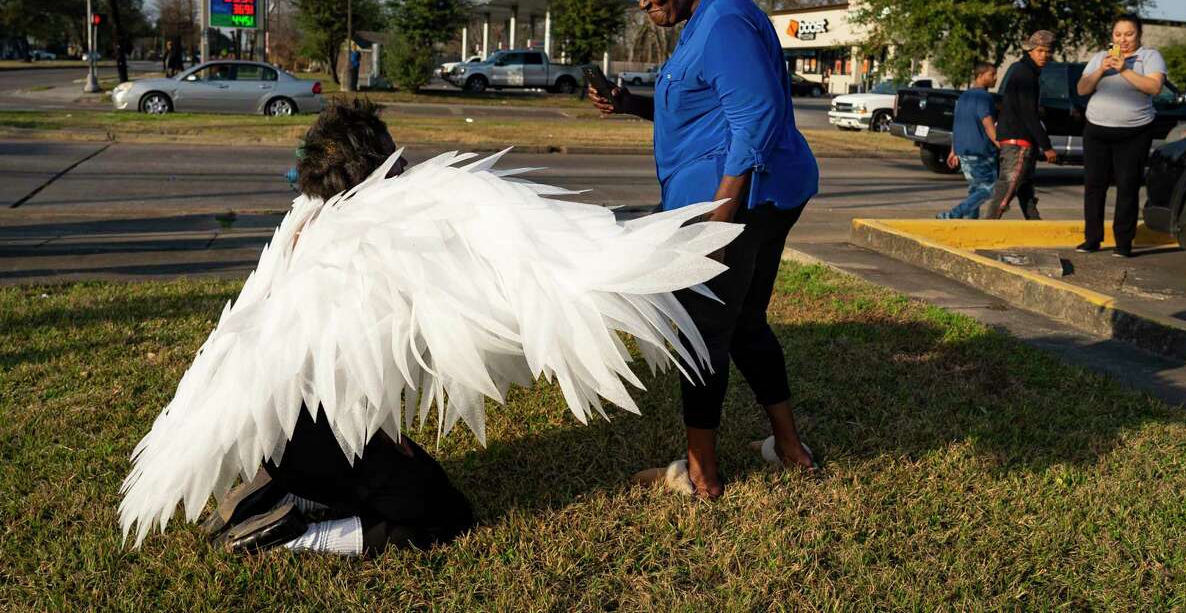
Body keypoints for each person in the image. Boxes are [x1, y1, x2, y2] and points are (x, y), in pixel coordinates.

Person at [119, 100, 743, 553]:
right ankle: (286, 534)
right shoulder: (371, 230)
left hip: (282, 427)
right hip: (318, 432)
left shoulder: (302, 225)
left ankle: (280, 486)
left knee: (392, 471)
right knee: (442, 517)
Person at [588, 0, 819, 500]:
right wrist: (630, 104)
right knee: (744, 324)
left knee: (702, 332)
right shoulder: (707, 19)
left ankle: (701, 474)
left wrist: (718, 222)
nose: (641, 1)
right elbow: (705, 107)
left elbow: (754, 119)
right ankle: (789, 448)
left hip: (741, 204)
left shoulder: (724, 25)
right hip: (759, 199)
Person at [1075, 13, 1167, 257]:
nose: (1123, 39)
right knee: (1094, 186)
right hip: (1096, 130)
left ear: (1139, 35)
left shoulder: (1150, 56)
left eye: (1129, 34)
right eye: (1118, 34)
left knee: (1127, 186)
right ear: (1112, 36)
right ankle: (1092, 239)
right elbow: (1082, 89)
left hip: (1134, 133)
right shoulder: (1099, 58)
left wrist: (1124, 69)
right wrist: (1100, 70)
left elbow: (1154, 87)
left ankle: (1123, 243)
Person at [983, 30, 1059, 219]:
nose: (1044, 55)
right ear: (1030, 51)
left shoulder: (1024, 70)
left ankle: (1035, 224)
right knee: (1007, 188)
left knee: (1024, 187)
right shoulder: (1025, 74)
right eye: (1040, 50)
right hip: (1018, 141)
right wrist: (1047, 146)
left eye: (1048, 51)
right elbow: (1028, 113)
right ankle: (987, 226)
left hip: (1017, 138)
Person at [938, 62, 999, 219]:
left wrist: (953, 150)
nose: (995, 78)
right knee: (989, 189)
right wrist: (1001, 144)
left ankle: (970, 223)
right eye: (991, 74)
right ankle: (953, 214)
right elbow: (988, 124)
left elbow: (957, 125)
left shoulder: (963, 97)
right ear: (980, 76)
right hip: (980, 151)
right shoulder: (984, 97)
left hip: (963, 150)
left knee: (975, 189)